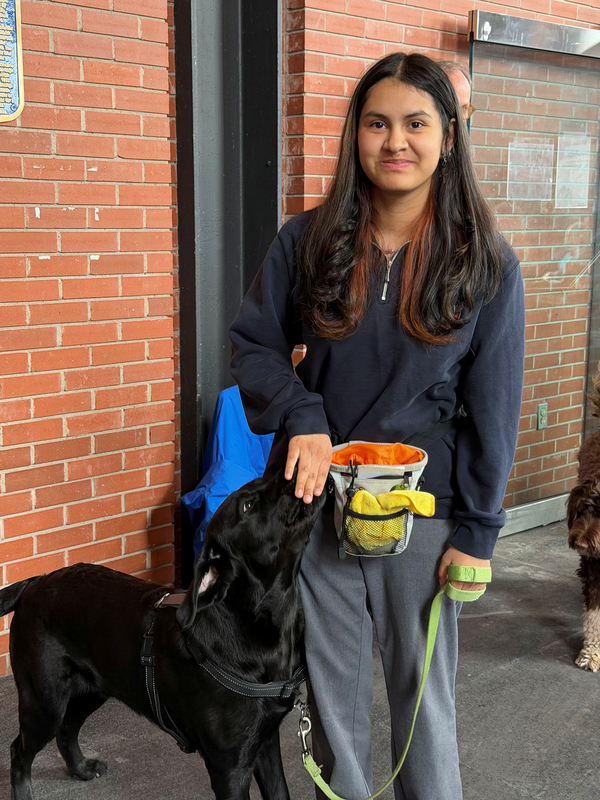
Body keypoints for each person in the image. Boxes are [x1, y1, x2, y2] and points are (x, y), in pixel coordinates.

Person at [229, 52, 524, 800]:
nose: (396, 141)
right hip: (318, 504)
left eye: (416, 123)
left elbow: (495, 405)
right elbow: (254, 347)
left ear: (448, 136)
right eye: (377, 123)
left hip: (424, 514)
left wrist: (478, 530)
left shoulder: (486, 261)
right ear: (355, 134)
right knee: (331, 702)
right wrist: (301, 414)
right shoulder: (307, 240)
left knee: (423, 706)